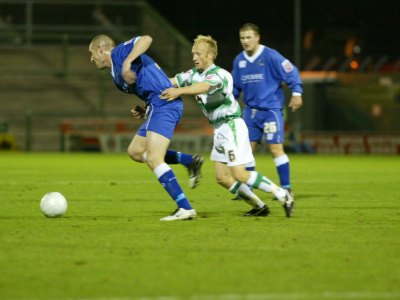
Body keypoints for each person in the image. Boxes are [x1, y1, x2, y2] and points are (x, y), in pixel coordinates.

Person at [161, 35, 294, 217]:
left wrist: (180, 91)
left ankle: (282, 194)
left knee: (239, 174)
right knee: (222, 178)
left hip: (232, 126)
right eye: (193, 54)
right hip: (219, 129)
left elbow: (205, 87)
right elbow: (169, 82)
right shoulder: (193, 74)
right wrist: (144, 81)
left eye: (198, 54)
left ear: (210, 55)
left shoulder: (221, 75)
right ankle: (259, 206)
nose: (194, 58)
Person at [88, 34, 204, 221]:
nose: (91, 58)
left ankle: (185, 208)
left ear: (101, 49)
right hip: (155, 105)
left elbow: (147, 39)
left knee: (153, 158)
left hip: (165, 103)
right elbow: (148, 83)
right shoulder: (115, 76)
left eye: (92, 53)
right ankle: (189, 161)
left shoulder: (119, 54)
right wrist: (144, 109)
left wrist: (127, 62)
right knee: (135, 151)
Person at [232, 23, 303, 198]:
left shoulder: (271, 56)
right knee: (246, 151)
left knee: (275, 149)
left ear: (257, 37)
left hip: (271, 110)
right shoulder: (239, 61)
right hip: (250, 112)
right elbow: (235, 88)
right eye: (242, 38)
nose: (245, 41)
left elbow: (291, 72)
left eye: (249, 37)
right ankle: (248, 190)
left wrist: (297, 93)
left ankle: (286, 188)